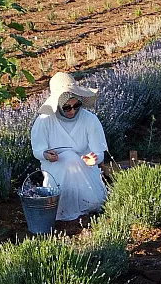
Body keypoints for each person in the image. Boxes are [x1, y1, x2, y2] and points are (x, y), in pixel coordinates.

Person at [30, 72, 109, 222]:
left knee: (96, 203)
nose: (72, 110)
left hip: (86, 173)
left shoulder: (90, 120)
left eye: (76, 105)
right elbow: (37, 151)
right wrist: (46, 155)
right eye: (67, 107)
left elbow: (99, 152)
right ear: (58, 105)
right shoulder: (44, 121)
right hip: (56, 172)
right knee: (68, 158)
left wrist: (94, 158)